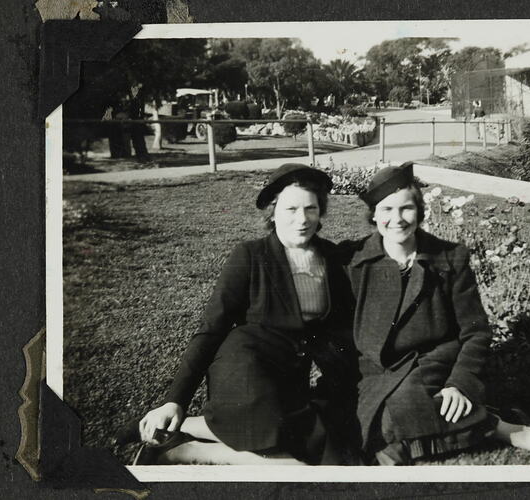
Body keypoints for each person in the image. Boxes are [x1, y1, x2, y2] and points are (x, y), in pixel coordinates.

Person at [118, 163, 359, 465]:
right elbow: (211, 329)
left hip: (289, 374)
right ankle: (180, 447)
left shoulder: (330, 257)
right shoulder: (249, 255)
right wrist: (174, 400)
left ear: (321, 211)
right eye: (290, 209)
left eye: (311, 209)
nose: (302, 219)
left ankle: (179, 442)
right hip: (247, 366)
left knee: (319, 441)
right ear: (273, 212)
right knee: (291, 460)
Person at [344, 162, 530, 465]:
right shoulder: (354, 262)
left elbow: (475, 332)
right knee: (380, 421)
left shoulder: (450, 258)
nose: (397, 219)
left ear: (420, 210)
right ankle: (497, 424)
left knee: (397, 411)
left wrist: (459, 384)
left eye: (406, 209)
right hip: (379, 370)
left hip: (431, 363)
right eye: (386, 210)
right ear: (373, 215)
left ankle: (520, 434)